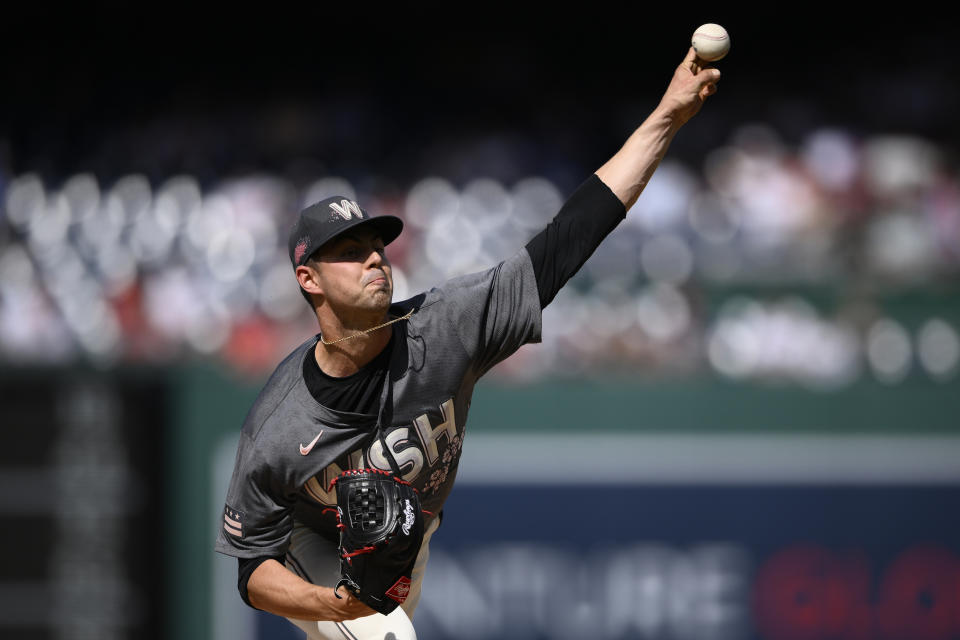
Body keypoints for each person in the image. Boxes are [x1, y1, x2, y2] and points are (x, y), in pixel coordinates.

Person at [215, 47, 722, 640]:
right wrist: (332, 603)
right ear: (309, 280)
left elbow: (572, 236)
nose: (373, 258)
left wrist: (666, 115)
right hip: (318, 543)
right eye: (350, 253)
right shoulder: (280, 421)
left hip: (408, 535)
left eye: (375, 245)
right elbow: (253, 573)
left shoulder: (446, 325)